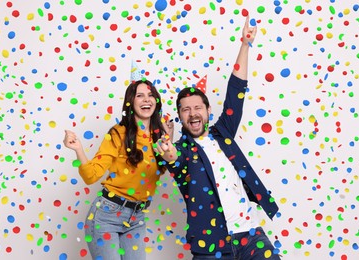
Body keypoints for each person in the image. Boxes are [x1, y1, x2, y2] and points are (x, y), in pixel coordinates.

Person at [154, 17, 280, 259]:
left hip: (251, 236)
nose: (193, 114)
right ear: (180, 116)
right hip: (211, 245)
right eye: (185, 109)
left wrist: (245, 44)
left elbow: (236, 91)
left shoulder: (223, 133)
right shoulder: (182, 151)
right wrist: (167, 150)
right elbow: (172, 159)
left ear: (208, 111)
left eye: (197, 108)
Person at [63, 78, 174, 260]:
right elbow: (91, 176)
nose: (146, 100)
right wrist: (78, 149)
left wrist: (168, 141)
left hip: (136, 218)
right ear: (131, 102)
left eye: (150, 95)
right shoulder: (118, 133)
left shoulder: (158, 135)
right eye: (140, 95)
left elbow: (158, 171)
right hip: (106, 215)